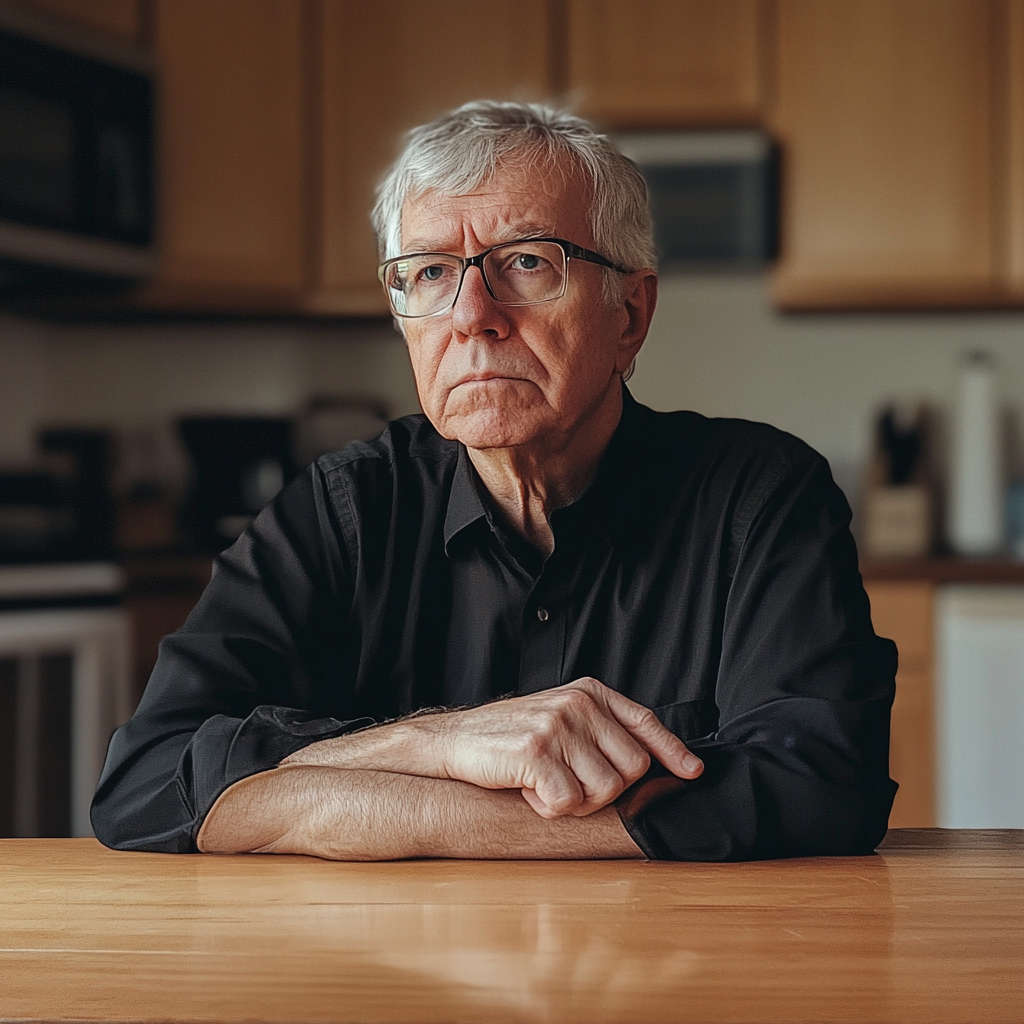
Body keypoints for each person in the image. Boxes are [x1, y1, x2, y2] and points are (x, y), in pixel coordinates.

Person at [92, 101, 897, 862]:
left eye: (524, 261)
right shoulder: (343, 511)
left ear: (630, 315)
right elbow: (147, 783)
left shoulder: (759, 499)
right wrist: (434, 743)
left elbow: (821, 785)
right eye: (431, 273)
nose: (471, 313)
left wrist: (357, 805)